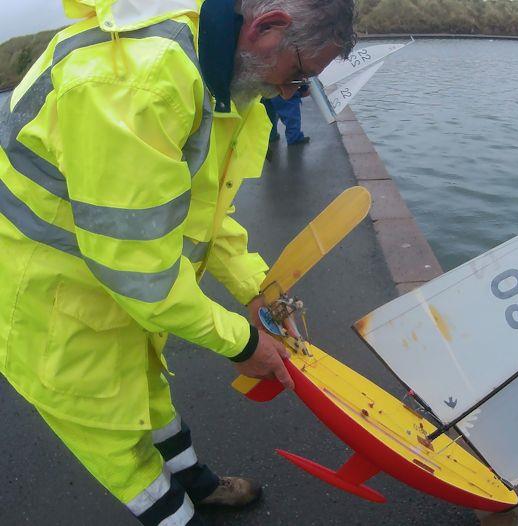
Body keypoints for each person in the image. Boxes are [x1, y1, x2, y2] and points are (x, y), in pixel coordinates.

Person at [0, 0, 355, 524]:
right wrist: (243, 342)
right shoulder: (141, 85)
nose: (291, 93)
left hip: (116, 281)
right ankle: (173, 513)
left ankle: (198, 483)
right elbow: (136, 268)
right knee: (115, 438)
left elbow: (201, 213)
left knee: (149, 391)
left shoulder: (215, 72)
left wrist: (260, 289)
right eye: (299, 73)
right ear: (267, 26)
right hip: (51, 297)